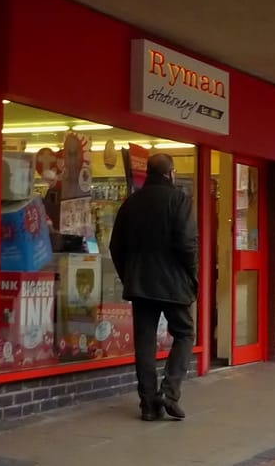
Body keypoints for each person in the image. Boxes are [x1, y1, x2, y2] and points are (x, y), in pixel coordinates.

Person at [110, 153, 198, 422]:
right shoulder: (179, 200)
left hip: (140, 285)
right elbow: (187, 243)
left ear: (148, 172)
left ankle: (148, 405)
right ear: (170, 173)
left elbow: (116, 246)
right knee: (184, 333)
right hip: (173, 284)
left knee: (145, 345)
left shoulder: (131, 203)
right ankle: (169, 393)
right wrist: (192, 276)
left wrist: (129, 277)